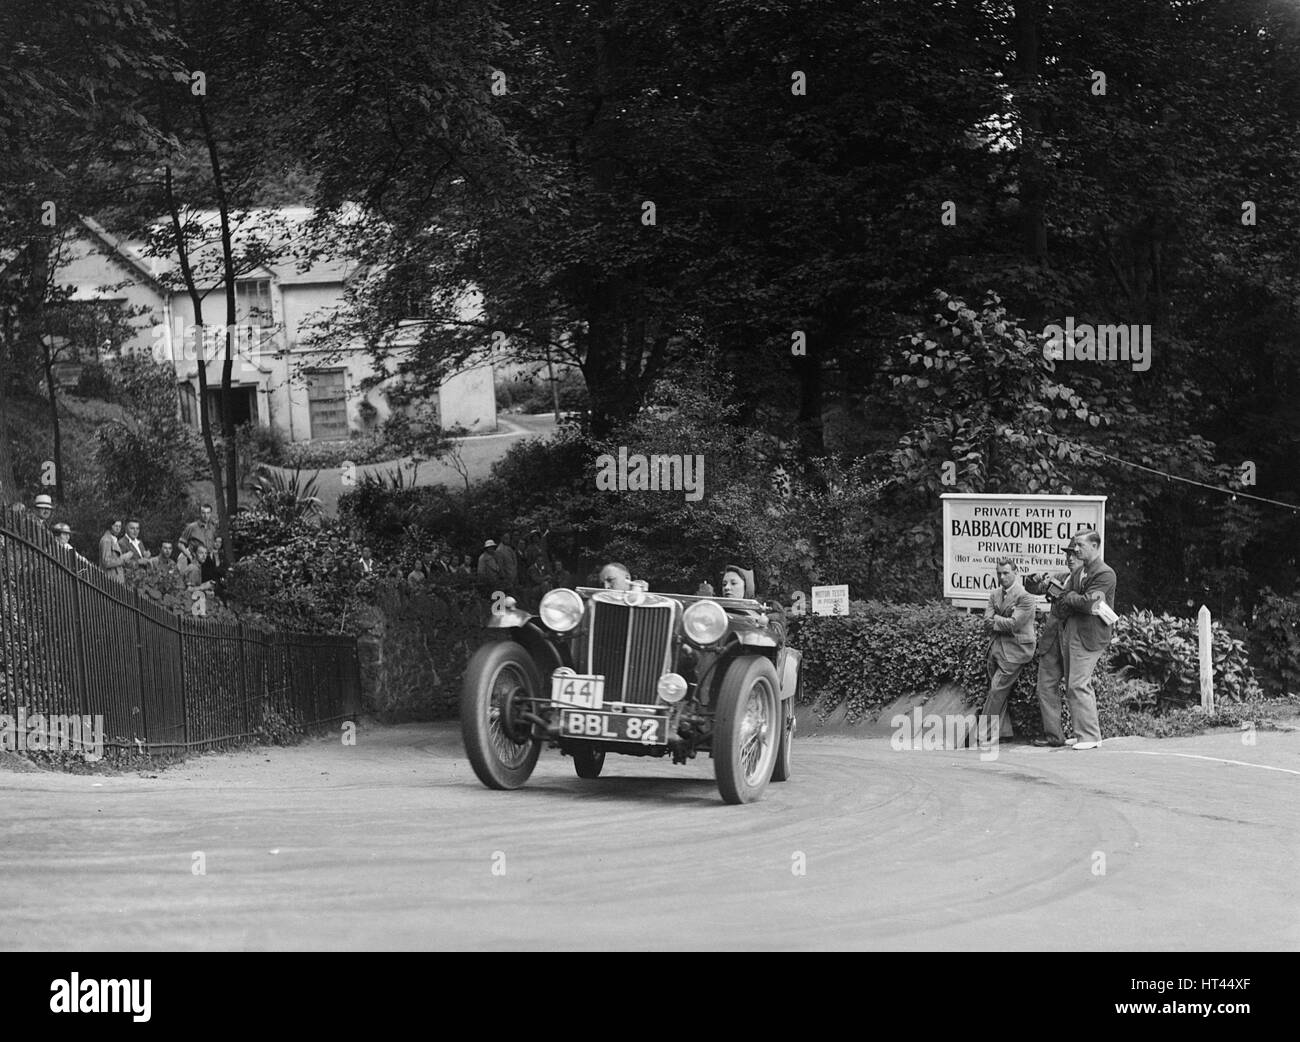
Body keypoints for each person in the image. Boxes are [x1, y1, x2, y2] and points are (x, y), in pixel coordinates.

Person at [1052, 531, 1116, 750]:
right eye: (1075, 546)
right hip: (1074, 631)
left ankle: (1089, 737)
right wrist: (1071, 598)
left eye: (1080, 545)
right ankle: (1084, 733)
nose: (1075, 550)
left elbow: (1090, 604)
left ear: (1095, 546)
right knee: (1072, 684)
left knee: (1078, 684)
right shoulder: (1081, 571)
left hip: (1090, 636)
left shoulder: (1105, 573)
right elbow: (1069, 598)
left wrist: (1069, 598)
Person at [1024, 546, 1081, 747]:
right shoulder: (1061, 576)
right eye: (1067, 554)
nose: (1070, 558)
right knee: (1045, 687)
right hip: (1052, 639)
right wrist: (1031, 580)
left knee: (1077, 687)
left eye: (1074, 554)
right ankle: (1055, 737)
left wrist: (1058, 592)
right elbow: (1035, 589)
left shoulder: (1089, 581)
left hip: (1074, 640)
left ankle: (1083, 736)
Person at [981, 558, 1037, 744]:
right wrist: (999, 620)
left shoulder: (1025, 597)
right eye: (999, 573)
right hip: (996, 647)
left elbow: (1014, 624)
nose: (1002, 577)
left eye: (1006, 573)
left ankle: (984, 735)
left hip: (1016, 650)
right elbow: (986, 621)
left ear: (1015, 572)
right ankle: (1003, 732)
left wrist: (995, 619)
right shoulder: (995, 594)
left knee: (997, 690)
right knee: (997, 691)